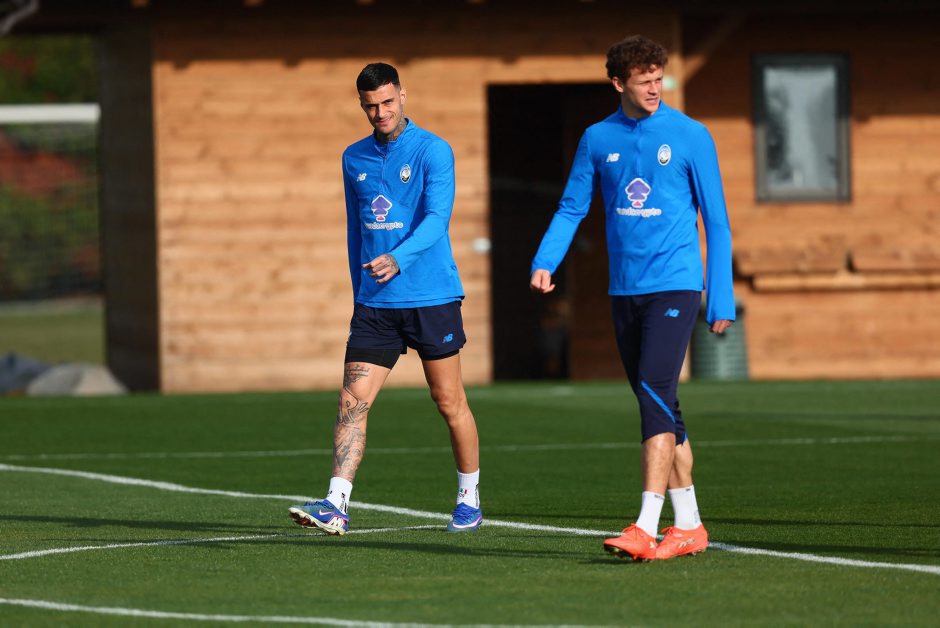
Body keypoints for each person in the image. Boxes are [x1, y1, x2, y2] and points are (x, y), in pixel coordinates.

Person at [529, 35, 735, 561]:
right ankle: (689, 525)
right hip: (624, 290)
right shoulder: (598, 138)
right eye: (644, 81)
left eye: (659, 79)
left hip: (676, 283)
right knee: (661, 403)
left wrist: (720, 298)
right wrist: (546, 260)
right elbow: (572, 207)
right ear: (618, 83)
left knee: (655, 393)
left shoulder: (691, 135)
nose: (654, 89)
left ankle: (645, 525)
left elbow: (716, 220)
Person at [289, 63, 482, 535]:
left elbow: (437, 219)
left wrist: (398, 258)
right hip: (375, 306)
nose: (380, 112)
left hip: (431, 297)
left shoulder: (433, 151)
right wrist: (360, 292)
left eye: (388, 102)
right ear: (361, 105)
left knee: (448, 400)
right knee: (351, 403)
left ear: (403, 96)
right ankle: (336, 503)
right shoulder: (353, 157)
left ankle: (469, 498)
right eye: (371, 105)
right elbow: (355, 230)